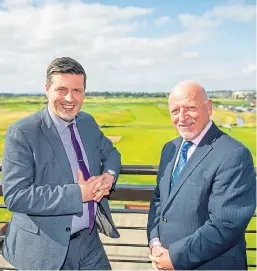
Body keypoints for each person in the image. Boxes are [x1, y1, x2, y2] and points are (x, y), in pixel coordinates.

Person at [2, 57, 121, 270]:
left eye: (77, 90)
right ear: (47, 89)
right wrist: (79, 194)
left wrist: (109, 175)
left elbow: (111, 153)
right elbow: (16, 196)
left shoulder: (87, 122)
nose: (70, 98)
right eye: (61, 89)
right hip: (46, 250)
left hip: (90, 242)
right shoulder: (22, 132)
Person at [147, 81, 256, 270]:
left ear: (209, 107)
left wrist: (175, 257)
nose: (182, 117)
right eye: (175, 111)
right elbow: (159, 199)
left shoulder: (234, 154)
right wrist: (155, 241)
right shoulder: (170, 149)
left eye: (190, 108)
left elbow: (226, 223)